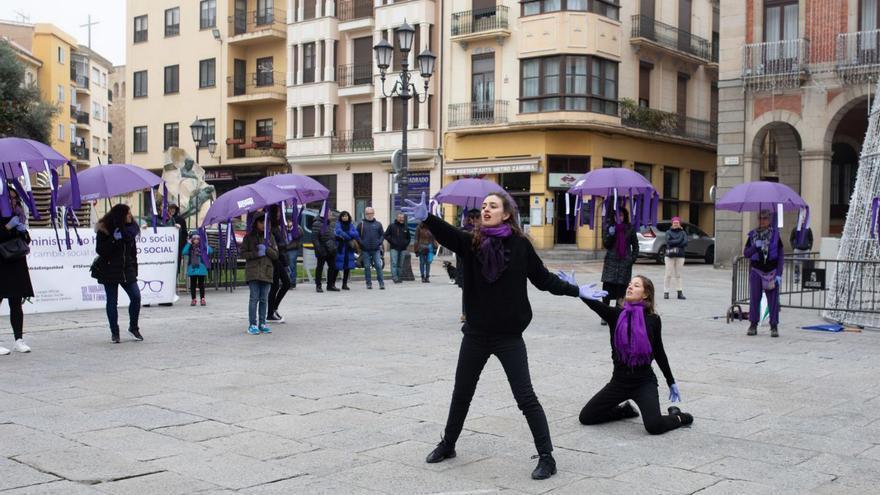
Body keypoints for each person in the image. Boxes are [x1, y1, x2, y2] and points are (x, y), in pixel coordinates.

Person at [402, 192, 593, 481]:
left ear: (506, 214)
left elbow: (543, 279)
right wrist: (428, 218)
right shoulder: (472, 242)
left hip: (508, 336)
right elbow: (450, 234)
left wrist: (576, 291)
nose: (486, 210)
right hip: (476, 334)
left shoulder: (520, 245)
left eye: (493, 206)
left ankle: (546, 456)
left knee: (525, 396)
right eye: (483, 206)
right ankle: (449, 444)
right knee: (461, 392)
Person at [562, 272, 694, 435]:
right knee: (587, 417)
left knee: (654, 426)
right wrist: (575, 289)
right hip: (619, 382)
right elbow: (594, 304)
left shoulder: (653, 319)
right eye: (630, 284)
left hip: (644, 382)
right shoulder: (615, 315)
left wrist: (670, 381)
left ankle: (679, 417)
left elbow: (659, 351)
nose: (630, 286)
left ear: (645, 294)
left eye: (636, 285)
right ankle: (624, 411)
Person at [94, 204, 143, 344]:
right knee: (112, 301)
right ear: (120, 215)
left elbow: (133, 253)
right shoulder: (104, 229)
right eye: (127, 213)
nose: (130, 216)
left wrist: (134, 268)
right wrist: (114, 239)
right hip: (109, 269)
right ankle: (114, 332)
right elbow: (101, 251)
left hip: (127, 268)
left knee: (135, 296)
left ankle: (133, 327)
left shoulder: (130, 230)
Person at [0, 186, 33, 355]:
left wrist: (23, 232)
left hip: (16, 263)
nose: (13, 201)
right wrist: (6, 228)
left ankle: (18, 339)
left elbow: (26, 241)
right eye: (9, 198)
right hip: (1, 263)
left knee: (16, 303)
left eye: (14, 198)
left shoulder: (18, 216)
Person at [744, 210, 784, 337]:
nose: (762, 220)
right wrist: (755, 246)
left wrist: (779, 273)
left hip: (771, 272)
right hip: (756, 271)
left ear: (769, 219)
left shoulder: (775, 236)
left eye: (765, 218)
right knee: (755, 299)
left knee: (773, 301)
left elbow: (781, 255)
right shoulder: (753, 235)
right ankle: (753, 324)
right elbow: (746, 253)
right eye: (760, 218)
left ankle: (774, 326)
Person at [600, 208, 639, 325]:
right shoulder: (609, 227)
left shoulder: (630, 229)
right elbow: (606, 244)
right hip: (611, 264)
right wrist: (611, 235)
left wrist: (632, 259)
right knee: (606, 291)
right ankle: (605, 315)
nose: (619, 218)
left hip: (624, 264)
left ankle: (618, 314)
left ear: (625, 216)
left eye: (621, 216)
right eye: (617, 216)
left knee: (621, 291)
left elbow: (635, 246)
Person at [241, 214, 278, 335]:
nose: (264, 225)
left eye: (266, 223)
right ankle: (252, 324)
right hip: (253, 272)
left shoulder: (270, 237)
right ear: (256, 223)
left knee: (264, 299)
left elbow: (276, 255)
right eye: (261, 222)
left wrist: (266, 249)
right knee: (254, 298)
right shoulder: (249, 237)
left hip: (267, 271)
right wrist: (256, 253)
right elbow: (243, 254)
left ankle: (262, 323)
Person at [267, 205, 291, 322]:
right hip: (274, 259)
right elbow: (273, 244)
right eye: (277, 212)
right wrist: (284, 244)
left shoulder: (277, 226)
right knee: (278, 285)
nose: (279, 214)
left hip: (280, 258)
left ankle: (273, 309)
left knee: (284, 284)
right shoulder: (270, 226)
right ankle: (270, 312)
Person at [457, 209, 480, 322]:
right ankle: (465, 313)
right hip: (465, 266)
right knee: (466, 291)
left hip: (479, 267)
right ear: (468, 218)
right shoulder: (463, 231)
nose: (475, 220)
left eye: (477, 217)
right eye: (472, 217)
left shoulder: (483, 231)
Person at [357, 207, 385, 290]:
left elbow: (382, 235)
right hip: (365, 250)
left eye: (371, 213)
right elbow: (357, 236)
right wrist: (362, 243)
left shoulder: (378, 224)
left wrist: (379, 242)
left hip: (376, 249)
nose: (369, 215)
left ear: (374, 213)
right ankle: (368, 283)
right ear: (365, 214)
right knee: (366, 267)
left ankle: (381, 283)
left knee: (378, 266)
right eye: (368, 213)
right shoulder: (361, 224)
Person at [182, 233, 212, 306]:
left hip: (201, 268)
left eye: (197, 239)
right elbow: (184, 252)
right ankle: (193, 299)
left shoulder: (202, 247)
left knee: (201, 284)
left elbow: (210, 251)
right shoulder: (190, 248)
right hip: (192, 268)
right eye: (194, 238)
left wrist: (204, 243)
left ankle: (202, 299)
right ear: (192, 239)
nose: (196, 240)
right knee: (193, 285)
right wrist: (188, 244)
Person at [332, 211, 360, 290]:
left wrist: (347, 234)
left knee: (347, 267)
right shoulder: (338, 224)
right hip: (340, 248)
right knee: (337, 266)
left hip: (349, 249)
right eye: (343, 216)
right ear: (341, 217)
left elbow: (356, 234)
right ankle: (333, 284)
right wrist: (349, 235)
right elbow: (338, 232)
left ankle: (344, 284)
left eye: (346, 216)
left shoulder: (351, 225)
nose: (345, 217)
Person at [312, 212, 339, 292]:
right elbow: (314, 238)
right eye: (329, 213)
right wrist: (319, 248)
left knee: (332, 267)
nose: (331, 214)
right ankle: (318, 286)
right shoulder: (317, 223)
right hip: (322, 249)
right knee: (320, 267)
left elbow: (331, 235)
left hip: (330, 248)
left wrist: (337, 238)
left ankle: (330, 285)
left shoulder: (330, 223)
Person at [663, 217, 688, 300]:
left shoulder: (683, 232)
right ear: (672, 223)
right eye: (674, 222)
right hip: (669, 256)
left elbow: (685, 243)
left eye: (677, 222)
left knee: (679, 275)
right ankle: (666, 292)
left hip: (680, 256)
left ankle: (679, 293)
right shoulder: (668, 232)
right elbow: (668, 242)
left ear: (679, 223)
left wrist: (674, 242)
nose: (676, 224)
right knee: (668, 274)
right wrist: (679, 240)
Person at [384, 212, 411, 284]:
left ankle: (399, 277)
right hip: (394, 248)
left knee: (400, 264)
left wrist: (405, 243)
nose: (401, 219)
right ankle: (395, 278)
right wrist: (392, 241)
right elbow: (386, 235)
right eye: (400, 217)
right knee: (394, 264)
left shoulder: (405, 227)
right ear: (397, 218)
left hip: (403, 249)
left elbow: (409, 238)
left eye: (402, 217)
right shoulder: (392, 226)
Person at [287, 213, 304, 289]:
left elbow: (298, 235)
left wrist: (292, 230)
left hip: (293, 249)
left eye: (289, 221)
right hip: (285, 249)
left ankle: (292, 282)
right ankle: (286, 281)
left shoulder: (297, 227)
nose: (288, 223)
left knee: (292, 266)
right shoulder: (284, 227)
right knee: (286, 266)